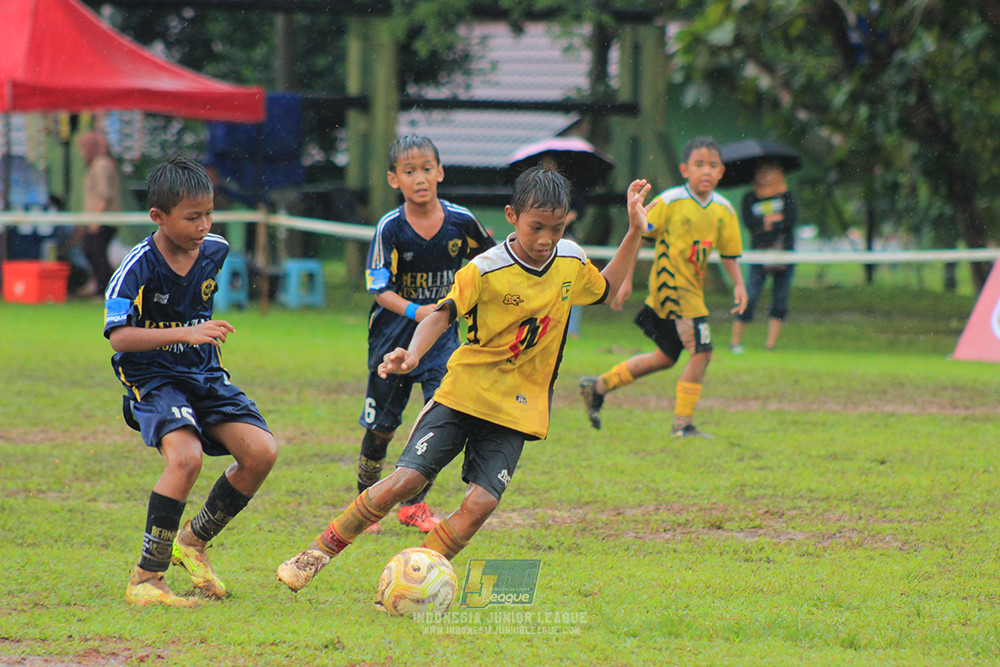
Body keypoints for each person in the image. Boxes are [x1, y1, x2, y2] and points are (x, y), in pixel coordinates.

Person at [276, 167, 654, 594]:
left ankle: (410, 584)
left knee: (481, 504)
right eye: (536, 227)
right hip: (463, 394)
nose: (546, 238)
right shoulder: (485, 269)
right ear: (512, 216)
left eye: (557, 227)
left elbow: (607, 290)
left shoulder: (570, 259)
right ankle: (316, 553)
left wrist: (635, 231)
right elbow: (442, 314)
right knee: (407, 481)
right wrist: (413, 353)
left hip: (517, 408)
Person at [104, 156, 278, 608]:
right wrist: (185, 332)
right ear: (158, 217)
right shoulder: (137, 265)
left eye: (208, 214)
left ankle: (194, 541)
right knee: (186, 458)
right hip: (153, 376)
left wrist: (195, 342)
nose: (203, 226)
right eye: (192, 217)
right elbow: (118, 337)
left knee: (261, 452)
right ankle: (147, 577)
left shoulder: (215, 249)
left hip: (203, 373)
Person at [357, 135, 495, 534]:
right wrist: (418, 310)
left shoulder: (461, 221)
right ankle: (365, 500)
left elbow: (491, 263)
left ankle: (413, 505)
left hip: (443, 341)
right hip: (392, 339)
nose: (420, 178)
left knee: (432, 421)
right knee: (382, 427)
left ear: (440, 172)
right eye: (409, 171)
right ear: (393, 179)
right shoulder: (390, 227)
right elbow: (379, 288)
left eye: (426, 169)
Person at [579, 136, 747, 437]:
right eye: (699, 165)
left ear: (721, 172)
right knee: (702, 352)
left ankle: (598, 386)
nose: (706, 171)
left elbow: (730, 253)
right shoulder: (670, 201)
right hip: (673, 290)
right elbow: (638, 233)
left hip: (692, 293)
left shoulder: (724, 210)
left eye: (712, 165)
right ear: (685, 169)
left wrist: (739, 285)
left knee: (665, 358)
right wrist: (626, 279)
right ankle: (682, 425)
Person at [729, 160, 798, 353]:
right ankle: (735, 342)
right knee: (750, 296)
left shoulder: (786, 196)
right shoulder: (751, 197)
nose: (764, 175)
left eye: (768, 171)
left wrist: (767, 223)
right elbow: (750, 222)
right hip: (758, 254)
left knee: (780, 298)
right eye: (760, 172)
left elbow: (790, 220)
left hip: (784, 254)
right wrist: (773, 221)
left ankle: (770, 344)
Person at [77, 130, 122, 297]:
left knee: (97, 253)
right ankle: (102, 286)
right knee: (90, 251)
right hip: (96, 219)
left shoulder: (102, 164)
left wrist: (96, 219)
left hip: (104, 219)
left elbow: (105, 195)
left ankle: (105, 289)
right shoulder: (95, 164)